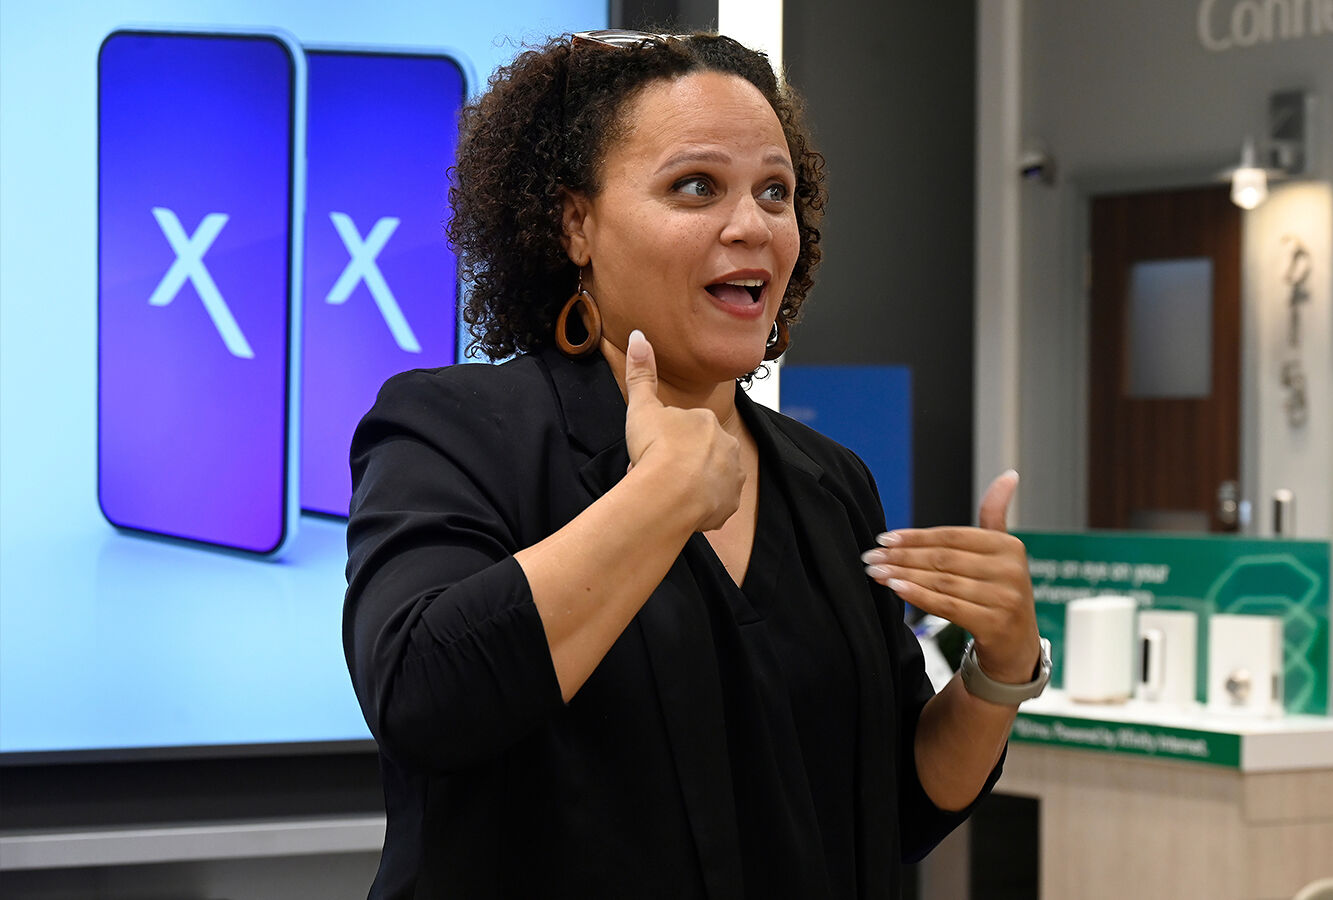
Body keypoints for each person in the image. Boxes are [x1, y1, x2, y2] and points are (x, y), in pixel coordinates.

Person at [343, 30, 1045, 899]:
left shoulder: (829, 483)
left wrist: (1000, 670)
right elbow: (423, 699)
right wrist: (659, 502)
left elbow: (895, 810)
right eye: (696, 187)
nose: (751, 225)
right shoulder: (455, 429)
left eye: (775, 193)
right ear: (576, 224)